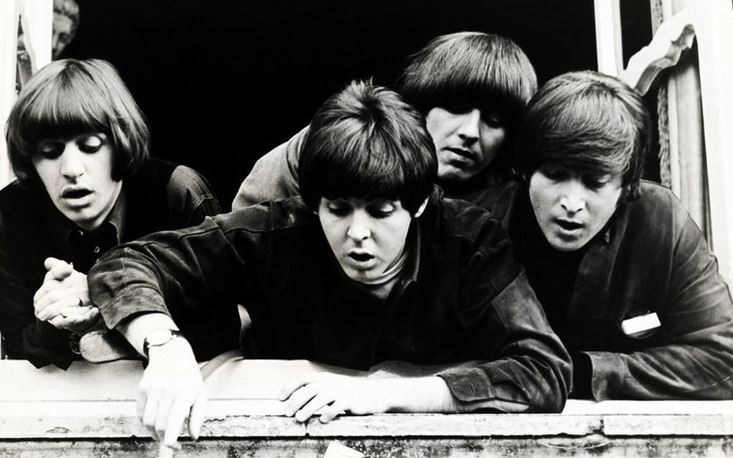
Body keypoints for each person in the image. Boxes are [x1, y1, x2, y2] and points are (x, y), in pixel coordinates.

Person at [88, 81, 571, 448]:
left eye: (381, 211)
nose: (357, 232)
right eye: (338, 209)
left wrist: (388, 393)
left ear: (420, 204)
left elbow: (544, 370)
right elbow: (125, 262)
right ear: (313, 202)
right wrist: (165, 347)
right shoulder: (274, 232)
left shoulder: (470, 242)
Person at [509, 70, 733, 400]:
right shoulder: (482, 223)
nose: (572, 203)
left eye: (595, 182)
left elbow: (722, 359)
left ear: (627, 187)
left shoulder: (662, 221)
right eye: (555, 175)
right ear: (526, 171)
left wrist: (583, 373)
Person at [0, 58, 239, 368]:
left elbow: (223, 334)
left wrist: (106, 309)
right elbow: (18, 351)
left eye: (90, 146)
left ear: (121, 143)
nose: (71, 169)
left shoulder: (177, 194)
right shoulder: (11, 213)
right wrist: (54, 323)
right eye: (50, 152)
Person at [232, 31, 536, 221]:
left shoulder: (515, 201)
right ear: (422, 102)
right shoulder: (340, 139)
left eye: (494, 121)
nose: (470, 132)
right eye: (456, 108)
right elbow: (248, 234)